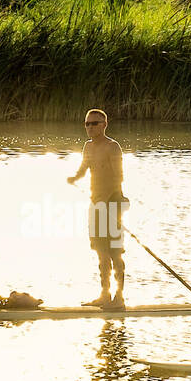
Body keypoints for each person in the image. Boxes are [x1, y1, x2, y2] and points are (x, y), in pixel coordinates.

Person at [67, 108, 127, 308]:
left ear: (104, 125)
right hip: (95, 205)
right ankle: (104, 295)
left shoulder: (113, 147)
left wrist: (110, 203)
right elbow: (84, 168)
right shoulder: (87, 147)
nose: (90, 127)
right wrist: (74, 178)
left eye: (94, 123)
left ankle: (118, 297)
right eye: (87, 124)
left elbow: (119, 176)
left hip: (112, 204)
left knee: (115, 252)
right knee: (100, 252)